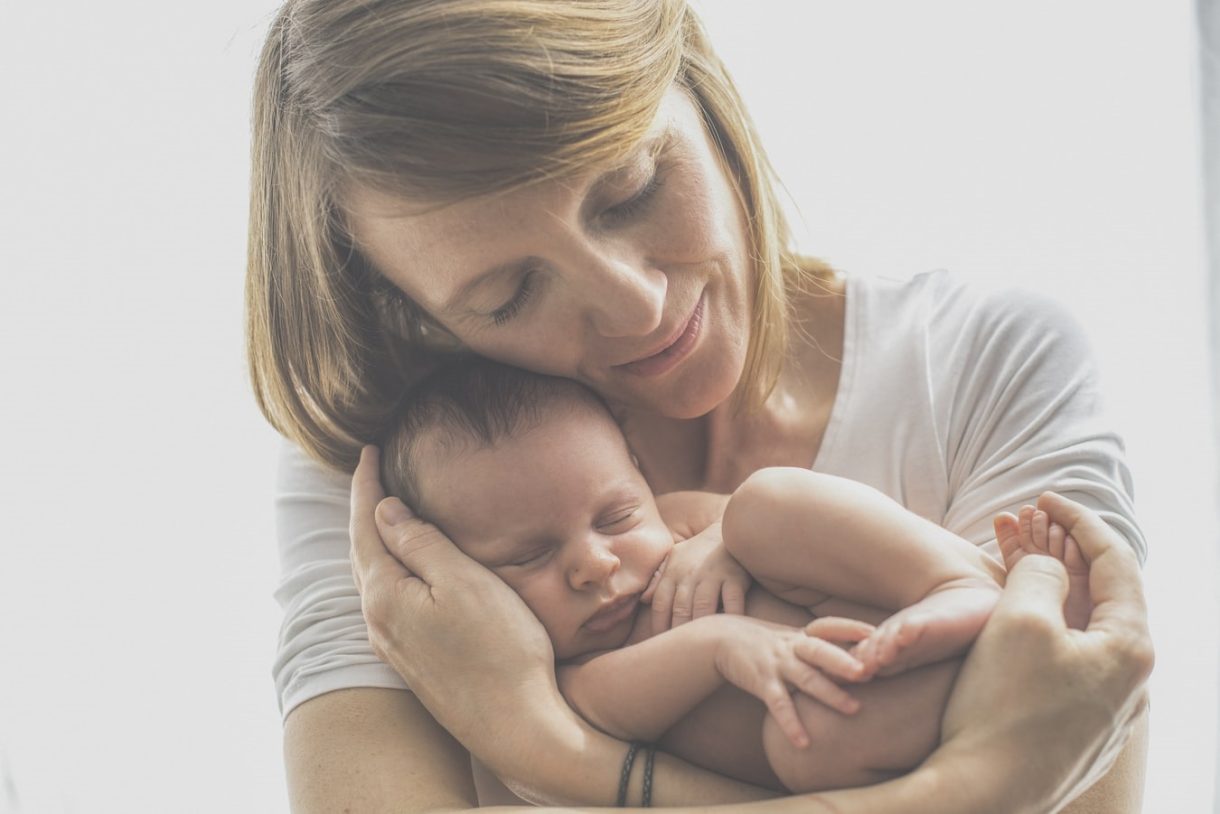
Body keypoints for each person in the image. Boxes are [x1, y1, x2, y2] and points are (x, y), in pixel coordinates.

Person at [246, 0, 1153, 810]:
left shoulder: (976, 363)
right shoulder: (404, 487)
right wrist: (978, 784)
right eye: (507, 295)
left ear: (701, 86)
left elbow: (1076, 740)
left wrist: (553, 752)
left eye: (634, 186)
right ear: (413, 313)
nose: (636, 304)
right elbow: (1026, 754)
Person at [377, 358, 1013, 792]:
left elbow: (759, 525)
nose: (596, 563)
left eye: (617, 514)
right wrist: (720, 645)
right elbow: (608, 711)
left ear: (639, 474)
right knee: (809, 745)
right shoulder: (560, 680)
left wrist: (719, 541)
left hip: (885, 614)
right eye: (529, 557)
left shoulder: (676, 520)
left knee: (764, 506)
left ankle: (955, 585)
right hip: (866, 710)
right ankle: (976, 668)